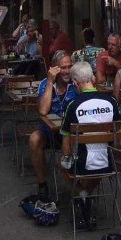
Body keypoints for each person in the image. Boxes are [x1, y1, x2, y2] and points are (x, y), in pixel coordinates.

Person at [60, 60, 121, 231]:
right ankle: (87, 198)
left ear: (75, 83)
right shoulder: (111, 101)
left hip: (82, 166)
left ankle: (82, 196)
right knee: (99, 161)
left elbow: (66, 149)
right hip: (109, 164)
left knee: (63, 166)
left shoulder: (72, 105)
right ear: (93, 79)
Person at [28, 50, 77, 202]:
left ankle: (79, 189)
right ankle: (42, 185)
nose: (67, 71)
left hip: (70, 133)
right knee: (34, 139)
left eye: (69, 67)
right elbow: (43, 111)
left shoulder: (76, 83)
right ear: (54, 68)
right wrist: (50, 82)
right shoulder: (45, 83)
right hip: (49, 132)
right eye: (63, 68)